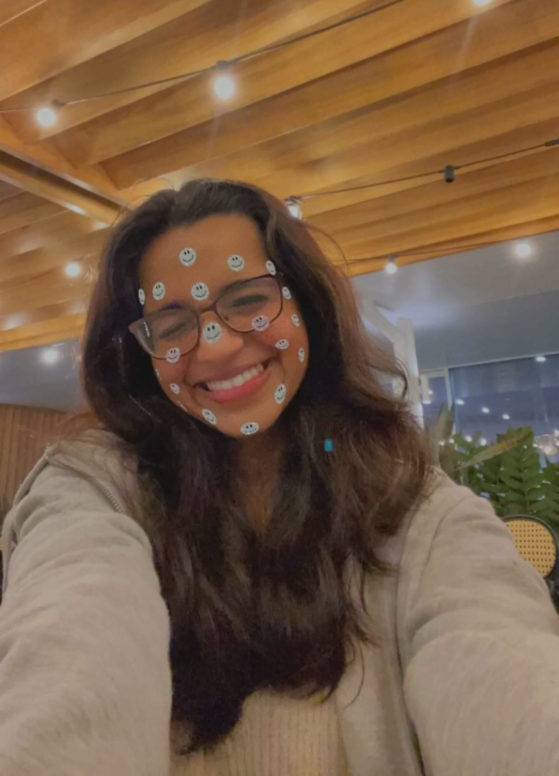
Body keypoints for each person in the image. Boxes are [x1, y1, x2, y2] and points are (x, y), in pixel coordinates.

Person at [1, 178, 558, 776]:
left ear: (308, 306)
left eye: (248, 299)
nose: (215, 347)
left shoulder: (415, 512)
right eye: (172, 324)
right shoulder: (96, 490)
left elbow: (502, 664)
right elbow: (74, 635)